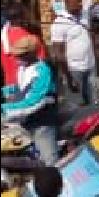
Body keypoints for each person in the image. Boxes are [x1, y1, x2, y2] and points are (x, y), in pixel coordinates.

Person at [1, 35, 58, 165]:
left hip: (42, 122)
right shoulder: (23, 68)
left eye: (20, 55)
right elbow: (21, 88)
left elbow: (32, 102)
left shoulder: (42, 72)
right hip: (25, 120)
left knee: (50, 163)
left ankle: (56, 180)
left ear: (31, 54)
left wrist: (4, 108)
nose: (16, 58)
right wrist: (5, 91)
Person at [50, 0, 94, 105]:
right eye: (77, 1)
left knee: (93, 104)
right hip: (73, 70)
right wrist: (68, 78)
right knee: (76, 106)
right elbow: (58, 53)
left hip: (90, 66)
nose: (81, 4)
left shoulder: (85, 14)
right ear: (67, 3)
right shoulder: (58, 23)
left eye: (81, 0)